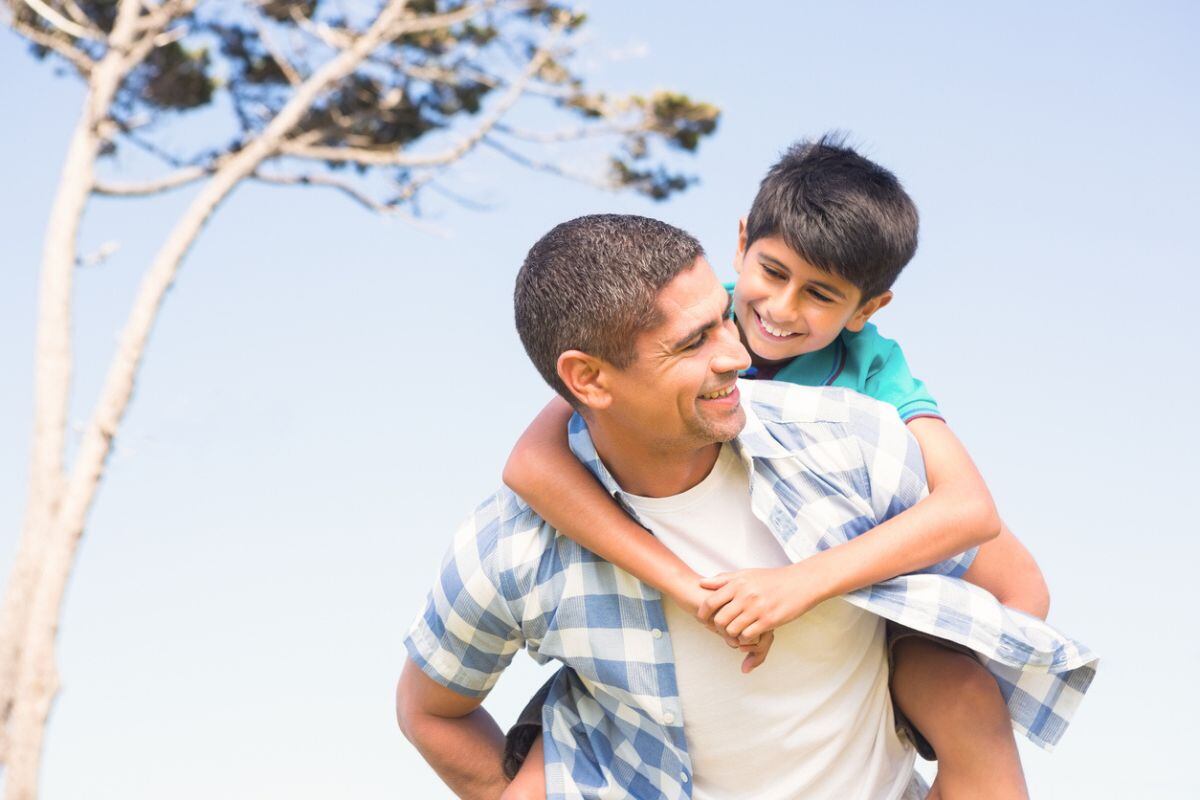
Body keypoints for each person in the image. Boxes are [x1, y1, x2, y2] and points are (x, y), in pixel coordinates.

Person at [396, 214, 1096, 800]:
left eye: (722, 319)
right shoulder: (512, 548)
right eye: (694, 341)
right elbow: (431, 713)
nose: (738, 353)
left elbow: (1009, 580)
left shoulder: (851, 441)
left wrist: (943, 707)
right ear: (589, 379)